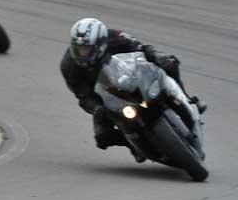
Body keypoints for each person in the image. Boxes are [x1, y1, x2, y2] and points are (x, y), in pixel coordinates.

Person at [60, 17, 206, 161]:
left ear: (99, 44)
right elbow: (83, 97)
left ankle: (187, 99)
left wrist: (157, 56)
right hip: (104, 98)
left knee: (170, 64)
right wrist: (98, 109)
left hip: (128, 77)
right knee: (102, 138)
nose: (81, 53)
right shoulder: (69, 66)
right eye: (78, 48)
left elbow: (141, 48)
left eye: (86, 49)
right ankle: (132, 145)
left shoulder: (115, 37)